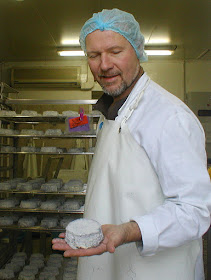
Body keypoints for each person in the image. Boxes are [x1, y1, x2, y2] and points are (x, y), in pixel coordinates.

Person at [52, 8, 211, 280]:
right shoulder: (109, 111)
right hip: (107, 262)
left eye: (115, 51)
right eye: (94, 55)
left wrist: (128, 230)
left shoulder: (169, 117)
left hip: (158, 271)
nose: (104, 65)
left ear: (137, 50)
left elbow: (195, 212)